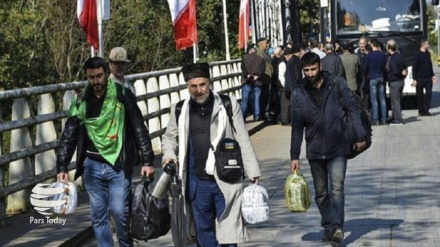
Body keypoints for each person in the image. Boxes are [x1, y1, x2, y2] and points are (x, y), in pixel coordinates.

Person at [56, 56, 155, 247]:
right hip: (91, 166)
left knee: (120, 212)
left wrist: (148, 160)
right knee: (98, 216)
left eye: (99, 76)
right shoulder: (81, 102)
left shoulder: (122, 95)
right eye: (91, 78)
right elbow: (69, 134)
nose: (95, 82)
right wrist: (61, 166)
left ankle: (126, 244)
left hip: (117, 164)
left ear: (106, 74)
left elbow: (138, 128)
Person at [161, 63, 261, 247]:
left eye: (203, 84)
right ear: (187, 87)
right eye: (194, 86)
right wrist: (168, 156)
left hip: (226, 179)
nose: (199, 90)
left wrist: (253, 169)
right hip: (197, 184)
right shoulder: (180, 109)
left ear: (210, 82)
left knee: (229, 234)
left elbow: (243, 139)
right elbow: (169, 137)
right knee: (204, 233)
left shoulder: (228, 105)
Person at [290, 52, 366, 247]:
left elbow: (352, 109)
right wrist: (294, 155)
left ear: (320, 67)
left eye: (313, 69)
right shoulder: (299, 93)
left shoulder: (337, 84)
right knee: (321, 193)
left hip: (338, 146)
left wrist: (358, 135)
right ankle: (328, 225)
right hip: (315, 150)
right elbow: (297, 126)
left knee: (337, 188)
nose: (309, 73)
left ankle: (337, 227)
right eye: (306, 70)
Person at [363, 38, 387, 125]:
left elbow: (365, 68)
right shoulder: (383, 54)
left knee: (374, 100)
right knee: (382, 99)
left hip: (373, 77)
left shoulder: (370, 55)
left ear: (372, 45)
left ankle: (376, 119)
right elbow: (385, 66)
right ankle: (384, 119)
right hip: (381, 76)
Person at [241, 47, 266, 121]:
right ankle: (257, 117)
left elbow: (243, 68)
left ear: (249, 52)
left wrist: (247, 75)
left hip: (246, 81)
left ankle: (243, 117)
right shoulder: (261, 58)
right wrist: (257, 76)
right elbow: (263, 69)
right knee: (256, 100)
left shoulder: (244, 58)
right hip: (257, 81)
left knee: (245, 100)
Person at [412, 39, 436, 116]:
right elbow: (414, 67)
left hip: (428, 77)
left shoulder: (428, 54)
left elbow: (430, 65)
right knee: (420, 95)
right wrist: (414, 79)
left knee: (429, 94)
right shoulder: (417, 54)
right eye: (427, 44)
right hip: (420, 78)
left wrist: (433, 75)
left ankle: (426, 110)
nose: (428, 45)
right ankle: (420, 111)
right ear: (423, 45)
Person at [386, 39, 407, 125]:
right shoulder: (400, 56)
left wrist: (389, 76)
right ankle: (395, 117)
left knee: (395, 101)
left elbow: (395, 70)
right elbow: (404, 69)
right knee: (397, 99)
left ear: (389, 48)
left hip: (395, 81)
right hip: (401, 81)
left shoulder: (393, 58)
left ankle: (398, 119)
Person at [256, 37, 273, 121]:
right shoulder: (259, 54)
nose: (267, 45)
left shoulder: (265, 53)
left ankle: (266, 112)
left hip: (267, 79)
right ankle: (264, 113)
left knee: (267, 97)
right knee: (264, 97)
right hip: (264, 79)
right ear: (261, 44)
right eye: (266, 43)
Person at [277, 47, 294, 125]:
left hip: (285, 86)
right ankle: (284, 120)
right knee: (285, 103)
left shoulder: (285, 62)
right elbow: (281, 76)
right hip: (283, 87)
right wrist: (285, 86)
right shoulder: (283, 63)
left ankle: (286, 118)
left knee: (287, 103)